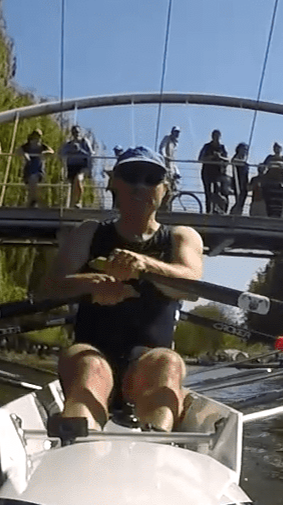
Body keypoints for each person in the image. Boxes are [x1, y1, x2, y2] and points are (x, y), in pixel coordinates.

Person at [38, 146, 204, 437]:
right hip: (91, 352)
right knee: (90, 366)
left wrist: (145, 267)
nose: (140, 185)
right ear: (114, 182)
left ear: (165, 189)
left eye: (151, 177)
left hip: (148, 364)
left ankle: (157, 442)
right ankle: (78, 443)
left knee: (168, 362)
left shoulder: (181, 237)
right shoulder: (89, 233)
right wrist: (89, 283)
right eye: (130, 175)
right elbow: (48, 288)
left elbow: (190, 287)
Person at [61, 125, 94, 209]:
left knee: (78, 180)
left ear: (80, 132)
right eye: (74, 132)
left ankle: (78, 202)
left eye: (77, 132)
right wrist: (70, 150)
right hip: (71, 166)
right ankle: (72, 205)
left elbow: (90, 154)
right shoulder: (69, 144)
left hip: (82, 166)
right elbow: (61, 153)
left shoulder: (84, 142)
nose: (76, 134)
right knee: (73, 186)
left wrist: (79, 150)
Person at [258, 142, 283, 218]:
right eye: (275, 148)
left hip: (280, 181)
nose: (277, 149)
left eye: (278, 148)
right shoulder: (270, 157)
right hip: (270, 180)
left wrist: (281, 164)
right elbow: (265, 164)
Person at [198, 130, 230, 214]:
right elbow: (200, 159)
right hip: (207, 172)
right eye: (214, 136)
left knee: (217, 191)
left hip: (218, 173)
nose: (216, 137)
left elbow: (227, 159)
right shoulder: (207, 146)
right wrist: (212, 157)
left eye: (217, 136)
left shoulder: (222, 147)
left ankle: (217, 209)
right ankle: (209, 210)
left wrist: (220, 157)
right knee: (208, 192)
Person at [20, 129, 51, 208]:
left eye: (39, 137)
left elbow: (51, 151)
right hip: (29, 167)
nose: (37, 139)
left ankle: (32, 201)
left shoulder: (42, 146)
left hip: (39, 168)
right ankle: (32, 200)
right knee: (31, 184)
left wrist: (44, 153)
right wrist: (24, 154)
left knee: (34, 180)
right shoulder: (27, 146)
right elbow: (17, 150)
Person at [157, 126, 183, 208]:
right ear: (172, 132)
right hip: (165, 164)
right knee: (166, 185)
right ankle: (162, 205)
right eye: (175, 132)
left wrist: (177, 171)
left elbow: (174, 159)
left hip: (171, 165)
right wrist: (165, 157)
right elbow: (162, 148)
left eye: (178, 132)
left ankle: (167, 206)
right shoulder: (167, 138)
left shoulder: (176, 143)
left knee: (172, 187)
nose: (177, 134)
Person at [230, 142, 252, 216]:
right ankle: (234, 212)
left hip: (244, 181)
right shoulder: (237, 157)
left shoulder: (244, 160)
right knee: (239, 198)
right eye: (243, 149)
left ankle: (239, 212)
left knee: (243, 198)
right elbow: (233, 161)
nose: (245, 151)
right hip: (238, 181)